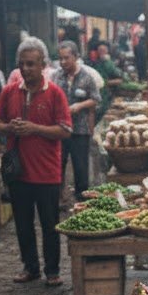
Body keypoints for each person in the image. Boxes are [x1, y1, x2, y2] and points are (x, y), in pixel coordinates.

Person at [0, 37, 71, 286]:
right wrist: (10, 128)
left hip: (47, 171)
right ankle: (30, 267)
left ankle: (52, 270)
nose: (26, 69)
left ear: (42, 65)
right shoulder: (9, 92)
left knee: (50, 224)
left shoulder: (55, 93)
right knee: (23, 224)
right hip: (19, 172)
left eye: (31, 64)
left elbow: (65, 130)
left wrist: (34, 128)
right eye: (22, 64)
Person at [52, 41, 99, 201]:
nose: (63, 62)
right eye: (60, 58)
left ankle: (82, 200)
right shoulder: (56, 76)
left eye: (67, 58)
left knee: (80, 167)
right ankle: (58, 198)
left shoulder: (87, 77)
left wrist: (79, 106)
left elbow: (95, 99)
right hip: (60, 129)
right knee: (58, 164)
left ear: (76, 57)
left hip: (80, 129)